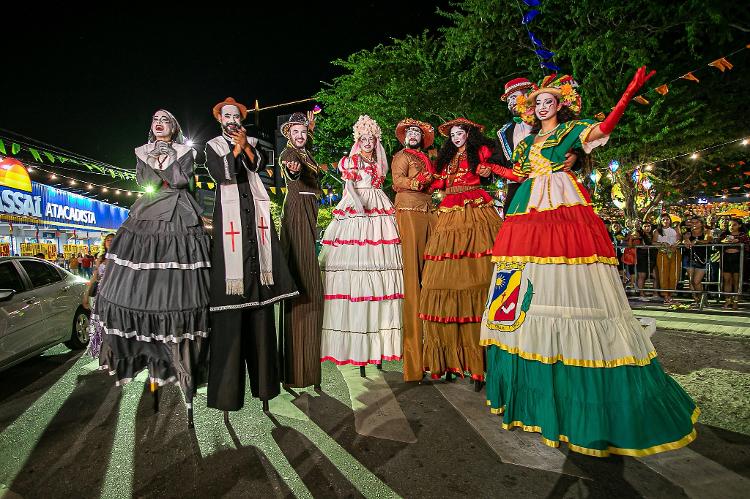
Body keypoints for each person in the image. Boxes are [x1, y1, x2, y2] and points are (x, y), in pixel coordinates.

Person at [480, 68, 698, 457]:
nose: (542, 105)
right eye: (537, 102)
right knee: (522, 279)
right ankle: (528, 377)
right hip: (525, 208)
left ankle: (577, 386)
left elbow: (602, 128)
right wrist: (484, 169)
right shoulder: (528, 139)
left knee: (569, 272)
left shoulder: (572, 131)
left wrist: (627, 96)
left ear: (560, 105)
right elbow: (515, 172)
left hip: (562, 204)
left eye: (548, 100)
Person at [94, 109, 211, 421]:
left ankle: (185, 371)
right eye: (155, 120)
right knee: (143, 290)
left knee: (181, 291)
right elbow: (146, 181)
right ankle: (146, 356)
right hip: (146, 218)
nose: (159, 123)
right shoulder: (142, 152)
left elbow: (181, 181)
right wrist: (157, 161)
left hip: (179, 217)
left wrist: (168, 160)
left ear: (173, 128)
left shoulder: (186, 151)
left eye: (165, 120)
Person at [205, 97, 298, 413]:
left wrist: (245, 145)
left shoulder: (251, 145)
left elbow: (257, 166)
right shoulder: (213, 146)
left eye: (236, 116)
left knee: (261, 320)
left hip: (256, 242)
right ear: (220, 120)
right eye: (227, 115)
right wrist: (235, 147)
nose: (232, 119)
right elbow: (222, 174)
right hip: (231, 242)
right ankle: (228, 397)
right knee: (231, 322)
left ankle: (266, 390)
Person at [418, 118, 503, 387]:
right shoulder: (447, 159)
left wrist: (489, 170)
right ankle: (452, 358)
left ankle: (482, 358)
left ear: (469, 133)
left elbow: (494, 166)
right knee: (445, 275)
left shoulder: (480, 151)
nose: (456, 137)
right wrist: (423, 181)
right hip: (449, 213)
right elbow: (437, 183)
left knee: (478, 270)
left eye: (459, 133)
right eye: (452, 134)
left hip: (475, 207)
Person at [318, 115, 403, 373]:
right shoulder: (352, 160)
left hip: (379, 208)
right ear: (358, 140)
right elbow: (349, 185)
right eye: (363, 139)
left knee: (382, 266)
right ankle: (356, 341)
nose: (367, 142)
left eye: (371, 139)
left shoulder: (379, 162)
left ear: (376, 140)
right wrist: (356, 203)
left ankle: (379, 340)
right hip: (358, 209)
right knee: (355, 267)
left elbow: (382, 179)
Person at [278, 111, 324, 390]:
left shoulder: (307, 153)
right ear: (288, 135)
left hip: (309, 211)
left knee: (309, 289)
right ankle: (297, 370)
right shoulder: (289, 155)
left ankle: (306, 369)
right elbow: (290, 167)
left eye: (303, 132)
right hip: (296, 212)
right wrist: (292, 169)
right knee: (306, 287)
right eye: (295, 132)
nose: (299, 135)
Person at [391, 118, 437, 382]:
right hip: (408, 212)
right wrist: (422, 180)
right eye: (409, 131)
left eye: (416, 132)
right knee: (412, 279)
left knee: (431, 276)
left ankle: (432, 353)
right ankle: (413, 361)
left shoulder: (427, 157)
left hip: (428, 211)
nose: (412, 134)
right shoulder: (401, 156)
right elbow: (398, 182)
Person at [496, 77, 578, 211]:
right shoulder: (504, 132)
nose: (511, 103)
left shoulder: (548, 121)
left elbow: (571, 142)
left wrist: (574, 156)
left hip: (552, 185)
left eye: (514, 97)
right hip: (516, 188)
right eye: (508, 100)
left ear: (527, 97)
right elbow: (498, 161)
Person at [82, 233, 115, 358]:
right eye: (107, 240)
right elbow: (94, 277)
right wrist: (86, 294)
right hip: (101, 295)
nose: (110, 242)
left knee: (114, 322)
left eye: (112, 240)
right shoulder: (100, 258)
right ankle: (103, 350)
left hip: (116, 294)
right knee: (100, 323)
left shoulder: (121, 256)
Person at [683, 217, 712, 308]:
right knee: (691, 280)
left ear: (701, 223)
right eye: (692, 222)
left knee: (697, 281)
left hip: (702, 258)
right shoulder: (688, 232)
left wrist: (697, 241)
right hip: (689, 257)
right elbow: (683, 239)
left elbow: (708, 240)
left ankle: (702, 298)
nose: (694, 224)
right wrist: (685, 241)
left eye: (696, 222)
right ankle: (696, 300)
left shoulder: (706, 231)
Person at [721, 219, 748, 309]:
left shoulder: (743, 235)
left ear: (739, 225)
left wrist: (738, 240)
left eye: (734, 225)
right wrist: (723, 241)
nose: (731, 227)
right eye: (730, 225)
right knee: (727, 280)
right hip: (726, 258)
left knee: (737, 281)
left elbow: (747, 245)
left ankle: (736, 301)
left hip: (738, 258)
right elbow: (716, 242)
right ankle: (728, 300)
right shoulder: (724, 235)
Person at [654, 214, 681, 305]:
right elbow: (653, 242)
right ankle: (665, 295)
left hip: (674, 253)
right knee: (663, 274)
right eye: (663, 219)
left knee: (674, 274)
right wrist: (662, 244)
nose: (666, 221)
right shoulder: (657, 231)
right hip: (662, 253)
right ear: (660, 221)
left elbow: (679, 240)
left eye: (667, 219)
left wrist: (674, 246)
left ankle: (671, 294)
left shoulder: (675, 230)